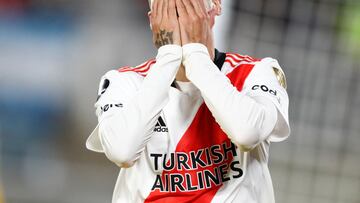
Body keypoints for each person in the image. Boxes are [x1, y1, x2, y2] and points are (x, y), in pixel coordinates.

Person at [86, 0, 290, 202]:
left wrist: (196, 56)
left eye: (190, 5)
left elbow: (247, 133)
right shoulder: (124, 81)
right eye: (169, 9)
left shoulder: (255, 72)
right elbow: (122, 151)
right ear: (153, 20)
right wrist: (168, 57)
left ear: (216, 7)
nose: (181, 16)